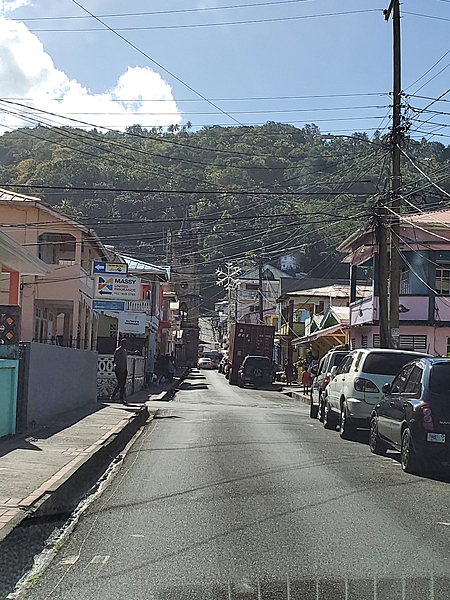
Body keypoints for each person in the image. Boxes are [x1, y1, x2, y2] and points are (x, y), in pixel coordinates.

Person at [110, 339, 129, 404]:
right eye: (125, 344)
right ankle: (117, 397)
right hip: (119, 369)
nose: (126, 345)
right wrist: (120, 368)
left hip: (124, 369)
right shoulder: (118, 351)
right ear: (122, 344)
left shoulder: (124, 351)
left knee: (122, 384)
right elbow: (116, 360)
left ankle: (118, 398)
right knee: (120, 384)